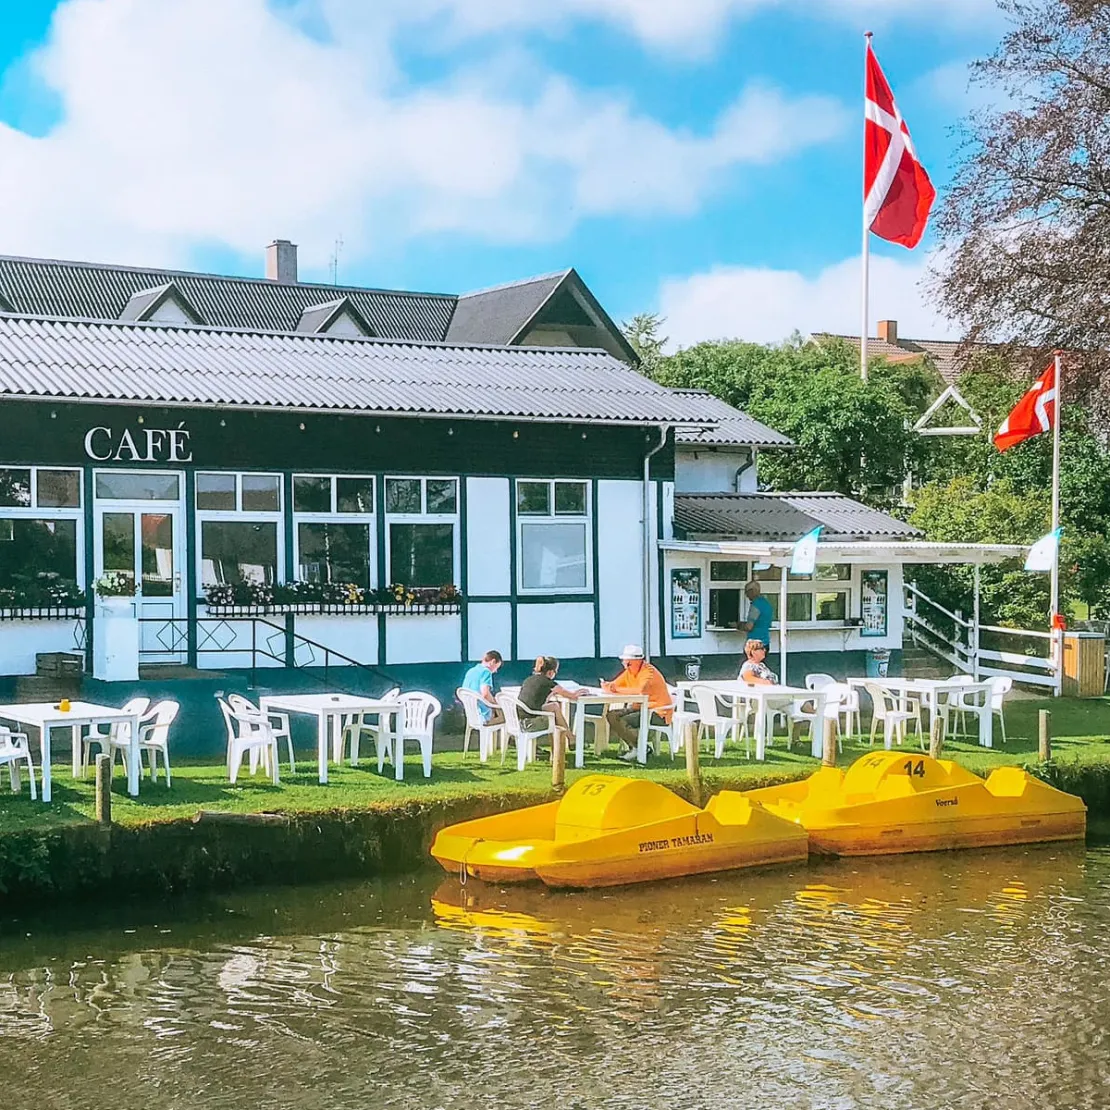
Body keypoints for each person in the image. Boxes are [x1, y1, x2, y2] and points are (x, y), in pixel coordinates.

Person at [602, 644, 673, 762]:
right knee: (612, 715)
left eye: (628, 663)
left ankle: (637, 748)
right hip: (640, 707)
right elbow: (615, 684)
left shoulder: (648, 672)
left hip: (657, 712)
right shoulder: (629, 671)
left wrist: (616, 689)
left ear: (638, 661)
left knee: (623, 720)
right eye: (624, 663)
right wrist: (607, 685)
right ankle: (640, 747)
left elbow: (641, 690)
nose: (626, 666)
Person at [518, 656, 580, 753]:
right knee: (554, 718)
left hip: (518, 722)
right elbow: (572, 696)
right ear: (551, 672)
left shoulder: (528, 680)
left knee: (554, 706)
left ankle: (570, 738)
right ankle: (566, 743)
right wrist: (580, 692)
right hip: (530, 724)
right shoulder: (549, 683)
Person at [462, 649, 504, 724]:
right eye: (496, 667)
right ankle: (501, 735)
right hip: (483, 713)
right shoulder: (486, 672)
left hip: (471, 713)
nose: (496, 671)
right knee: (505, 717)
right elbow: (485, 694)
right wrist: (496, 704)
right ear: (493, 662)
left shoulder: (471, 671)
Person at [738, 580, 773, 648]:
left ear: (752, 591)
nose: (746, 595)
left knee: (748, 659)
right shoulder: (767, 604)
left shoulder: (755, 605)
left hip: (754, 645)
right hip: (765, 642)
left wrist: (738, 625)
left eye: (747, 592)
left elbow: (749, 627)